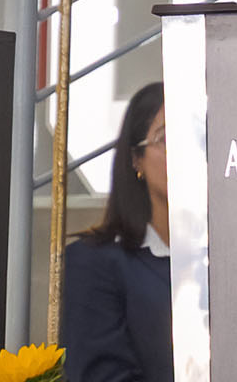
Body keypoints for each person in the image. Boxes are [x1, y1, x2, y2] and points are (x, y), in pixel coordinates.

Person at [62, 82, 172, 382]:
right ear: (136, 159)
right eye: (166, 138)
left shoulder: (227, 258)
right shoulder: (93, 262)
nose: (185, 151)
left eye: (198, 136)